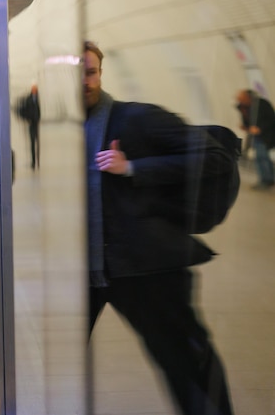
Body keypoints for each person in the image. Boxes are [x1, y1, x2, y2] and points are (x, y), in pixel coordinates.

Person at [83, 41, 234, 415]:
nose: (84, 81)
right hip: (84, 272)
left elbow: (213, 156)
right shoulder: (60, 128)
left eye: (91, 72)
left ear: (101, 74)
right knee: (52, 366)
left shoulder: (136, 119)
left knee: (187, 367)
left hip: (146, 269)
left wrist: (132, 167)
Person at [235, 89, 275, 190]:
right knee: (261, 158)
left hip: (266, 135)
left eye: (242, 99)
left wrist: (260, 128)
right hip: (255, 136)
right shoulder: (243, 107)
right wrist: (246, 126)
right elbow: (248, 122)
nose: (240, 101)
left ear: (248, 97)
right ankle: (267, 179)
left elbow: (271, 119)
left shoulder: (261, 105)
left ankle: (267, 180)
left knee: (262, 157)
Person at [18, 84, 41, 169]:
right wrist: (27, 118)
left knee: (37, 142)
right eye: (34, 90)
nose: (35, 91)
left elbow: (38, 110)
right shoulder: (28, 99)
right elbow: (23, 110)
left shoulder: (37, 99)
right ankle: (33, 161)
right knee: (32, 142)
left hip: (36, 123)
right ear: (32, 90)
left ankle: (37, 160)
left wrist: (38, 117)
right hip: (31, 123)